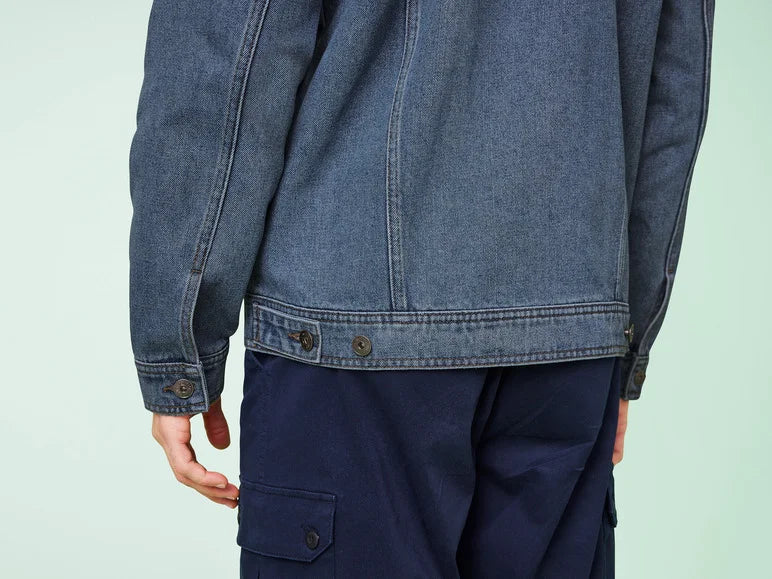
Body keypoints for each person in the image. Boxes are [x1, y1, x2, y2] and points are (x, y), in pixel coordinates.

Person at [128, 1, 715, 577]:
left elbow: (226, 62)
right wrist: (623, 340)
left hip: (352, 343)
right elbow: (674, 86)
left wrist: (180, 349)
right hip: (569, 348)